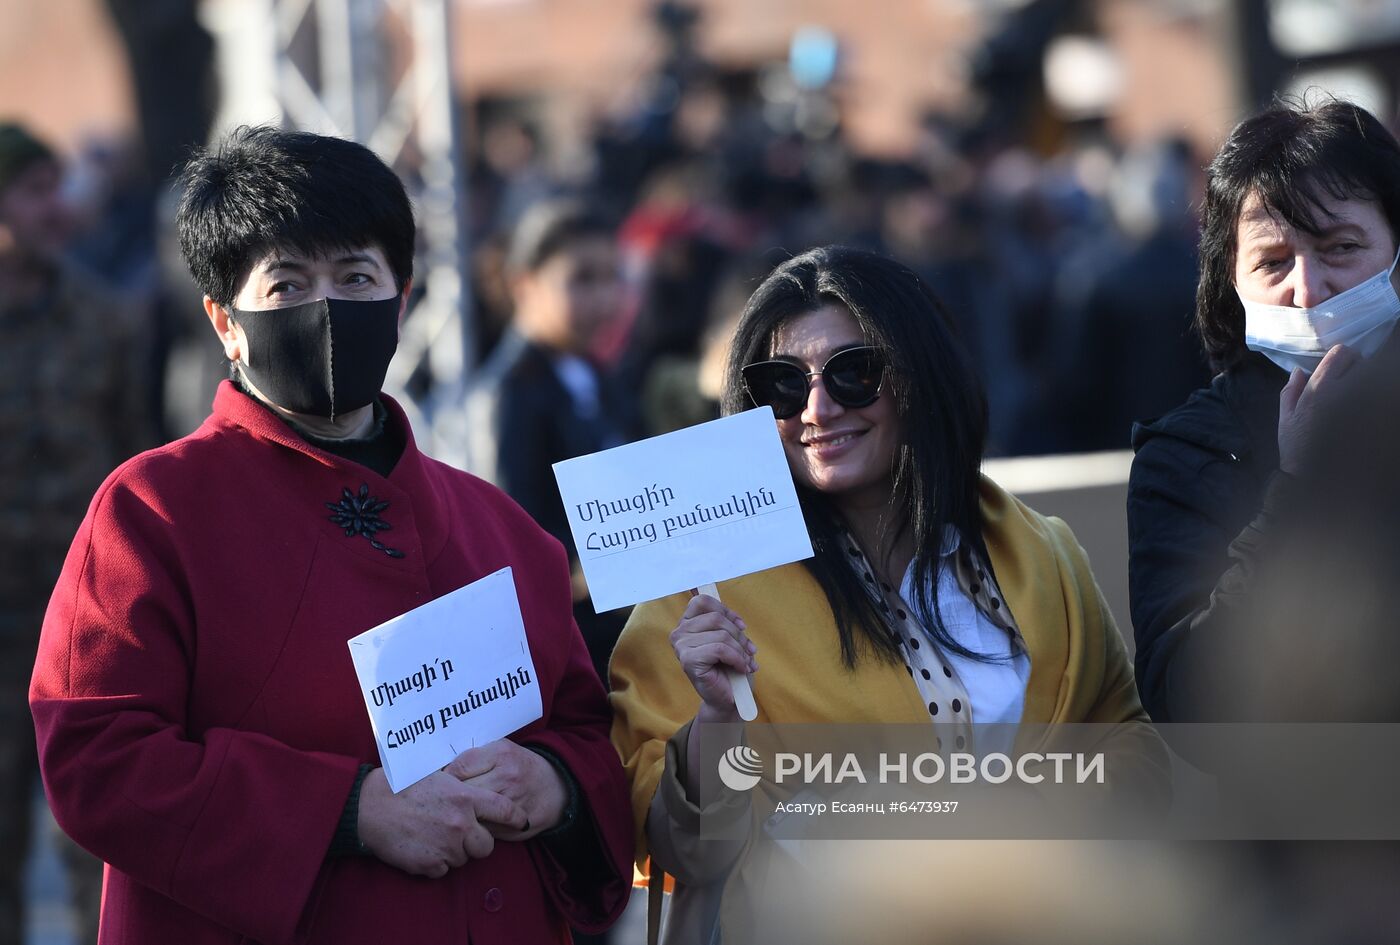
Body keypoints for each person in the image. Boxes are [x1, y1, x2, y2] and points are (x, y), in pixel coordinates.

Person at [30, 126, 633, 945]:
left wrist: (554, 784)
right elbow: (97, 755)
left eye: (356, 276)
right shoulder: (150, 512)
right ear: (224, 320)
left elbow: (587, 735)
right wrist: (348, 811)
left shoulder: (506, 531)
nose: (325, 309)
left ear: (403, 299)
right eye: (285, 284)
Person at [609, 246, 1166, 943]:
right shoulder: (696, 596)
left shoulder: (1037, 551)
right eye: (782, 383)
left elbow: (1127, 742)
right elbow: (683, 855)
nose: (816, 407)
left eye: (854, 372)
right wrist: (718, 719)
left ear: (919, 376)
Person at [1127, 99, 1400, 725]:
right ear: (1230, 278)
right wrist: (1298, 488)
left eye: (1341, 247)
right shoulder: (1185, 455)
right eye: (1273, 262)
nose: (1308, 288)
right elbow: (1190, 705)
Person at [0, 120, 144, 945]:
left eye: (58, 185)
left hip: (86, 622)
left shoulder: (105, 318)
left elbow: (135, 467)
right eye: (31, 189)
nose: (55, 208)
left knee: (97, 836)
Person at [466, 198, 639, 685]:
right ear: (524, 283)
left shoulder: (598, 373)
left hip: (616, 627)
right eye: (582, 279)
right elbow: (510, 532)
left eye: (612, 277)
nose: (605, 298)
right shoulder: (509, 392)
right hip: (566, 647)